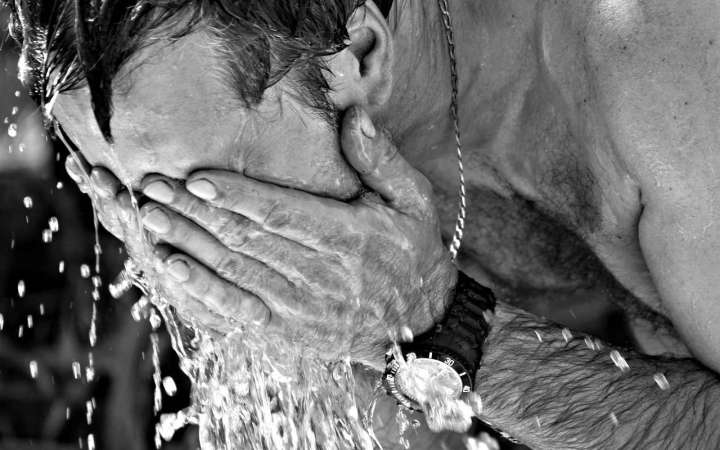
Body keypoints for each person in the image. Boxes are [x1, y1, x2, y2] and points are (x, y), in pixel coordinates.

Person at [6, 0, 720, 448]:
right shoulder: (279, 148)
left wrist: (442, 330)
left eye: (205, 193)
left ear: (359, 56)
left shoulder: (665, 71)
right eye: (132, 195)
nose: (180, 243)